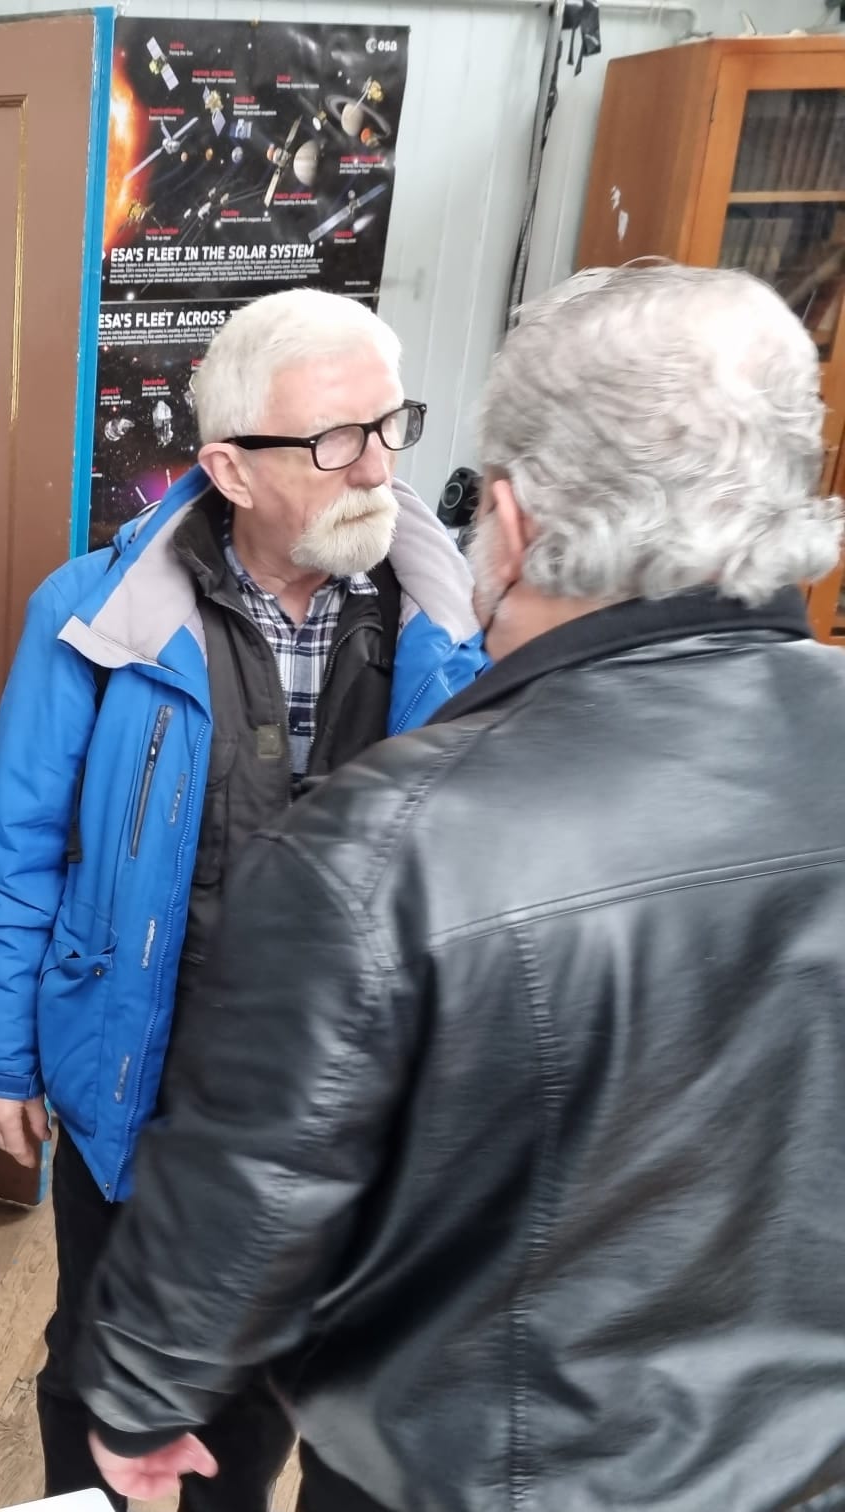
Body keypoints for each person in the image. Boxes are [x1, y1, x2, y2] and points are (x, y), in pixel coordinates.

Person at [75, 261, 845, 1512]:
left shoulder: (391, 843)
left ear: (515, 519)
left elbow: (259, 1187)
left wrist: (143, 1397)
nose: (376, 469)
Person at [0, 288, 487, 1512]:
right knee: (101, 1368)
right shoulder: (91, 615)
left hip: (357, 1106)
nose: (379, 468)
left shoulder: (460, 629)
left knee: (278, 1398)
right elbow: (22, 844)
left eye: (390, 426)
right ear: (229, 469)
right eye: (334, 441)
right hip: (137, 1080)